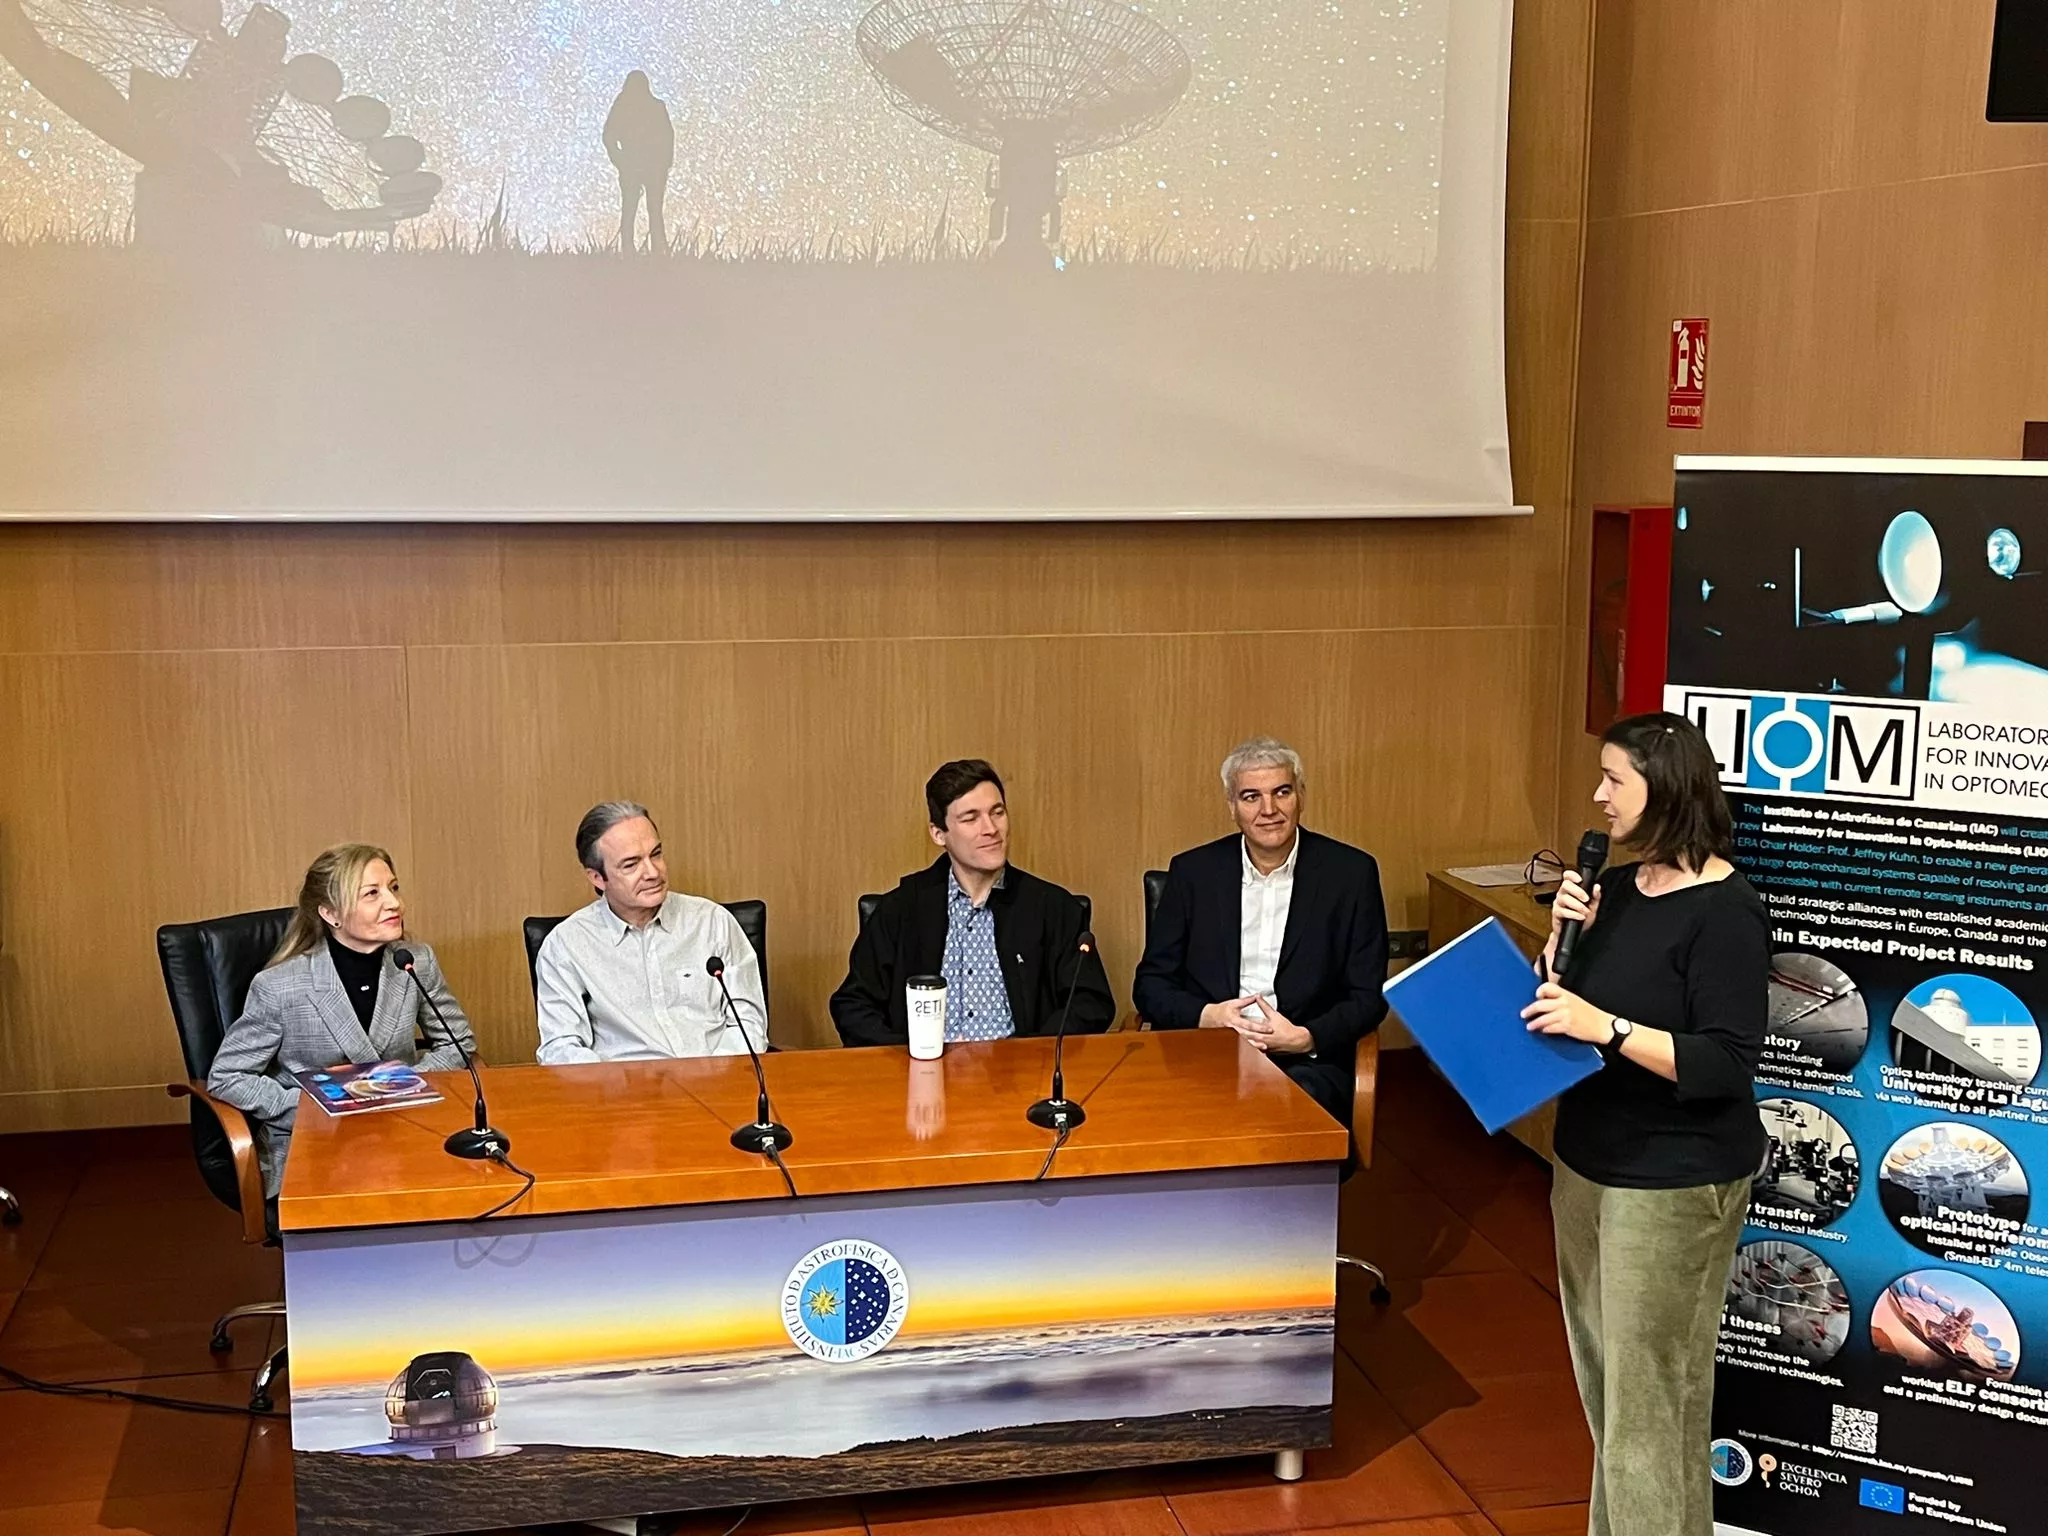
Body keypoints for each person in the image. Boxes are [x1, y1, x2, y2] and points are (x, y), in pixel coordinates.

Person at [1520, 711, 1768, 1536]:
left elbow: (1727, 1062)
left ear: (1664, 790)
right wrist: (1559, 959)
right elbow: (1569, 1008)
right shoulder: (1615, 893)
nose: (1598, 797)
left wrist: (1608, 1028)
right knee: (1610, 1398)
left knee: (1649, 1407)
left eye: (1614, 779)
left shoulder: (1724, 909)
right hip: (1588, 1161)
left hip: (1674, 1179)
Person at [1132, 737, 1388, 1128]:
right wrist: (1209, 1016)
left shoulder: (1350, 875)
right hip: (1208, 1055)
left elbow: (1368, 996)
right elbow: (1150, 986)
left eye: (1281, 792)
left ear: (1300, 796)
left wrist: (1306, 1037)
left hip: (1306, 1064)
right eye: (1251, 797)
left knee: (1291, 1106)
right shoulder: (1193, 874)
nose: (1269, 810)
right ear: (1232, 807)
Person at [208, 844, 476, 1203]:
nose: (394, 903)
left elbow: (458, 1042)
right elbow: (227, 1078)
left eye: (393, 888)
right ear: (330, 913)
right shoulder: (280, 986)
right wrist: (307, 1109)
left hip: (404, 1130)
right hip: (317, 1143)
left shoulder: (415, 962)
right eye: (372, 894)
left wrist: (404, 1087)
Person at [831, 760, 1114, 1046]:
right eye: (970, 818)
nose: (990, 828)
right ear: (939, 834)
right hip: (921, 1075)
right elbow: (852, 1005)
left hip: (1024, 1075)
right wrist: (906, 1056)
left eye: (997, 813)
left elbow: (1089, 1003)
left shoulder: (1053, 907)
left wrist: (1030, 1054)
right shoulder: (902, 909)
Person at [535, 801, 767, 1064]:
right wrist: (617, 1085)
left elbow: (748, 1023)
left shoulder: (712, 922)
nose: (653, 872)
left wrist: (712, 1073)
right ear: (597, 878)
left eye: (655, 854)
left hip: (719, 1083)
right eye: (631, 865)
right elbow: (560, 1046)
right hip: (623, 1096)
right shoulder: (567, 944)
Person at [604, 70, 674, 254]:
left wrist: (619, 158)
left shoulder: (624, 107)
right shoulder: (651, 107)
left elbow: (609, 135)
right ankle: (655, 250)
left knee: (637, 208)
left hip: (643, 165)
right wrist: (619, 159)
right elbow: (668, 138)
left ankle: (644, 249)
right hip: (643, 165)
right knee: (645, 209)